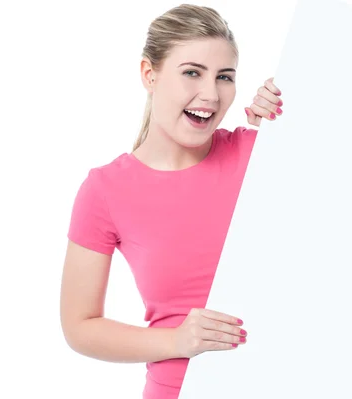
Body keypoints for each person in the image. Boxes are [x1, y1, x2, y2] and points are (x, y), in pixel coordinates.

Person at [59, 4, 283, 398]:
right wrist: (177, 341)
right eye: (192, 72)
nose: (211, 95)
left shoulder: (258, 153)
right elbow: (79, 326)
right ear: (150, 74)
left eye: (224, 77)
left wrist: (289, 118)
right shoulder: (105, 190)